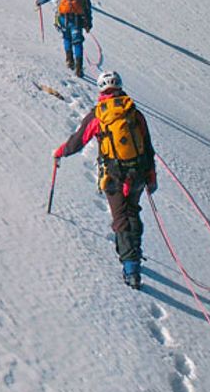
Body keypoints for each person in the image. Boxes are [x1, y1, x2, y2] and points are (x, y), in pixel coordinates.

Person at [53, 70, 156, 289]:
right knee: (133, 210)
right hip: (138, 172)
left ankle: (131, 269)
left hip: (114, 176)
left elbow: (78, 140)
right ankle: (132, 253)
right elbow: (147, 146)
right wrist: (151, 176)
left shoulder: (99, 114)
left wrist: (60, 152)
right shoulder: (134, 113)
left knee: (120, 218)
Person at [36, 0, 92, 76]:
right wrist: (88, 22)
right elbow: (87, 6)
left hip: (63, 17)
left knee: (66, 37)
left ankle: (69, 60)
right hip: (77, 19)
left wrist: (39, 1)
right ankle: (79, 68)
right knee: (77, 42)